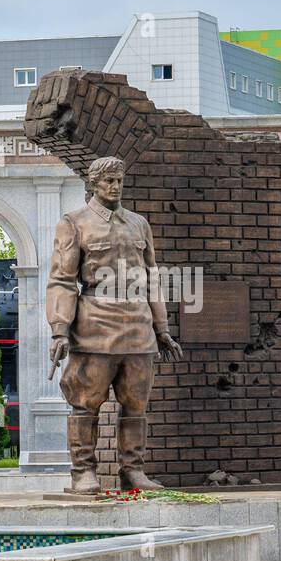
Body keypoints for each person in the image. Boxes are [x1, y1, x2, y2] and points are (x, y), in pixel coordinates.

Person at [46, 156, 184, 494]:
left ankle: (133, 470)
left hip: (138, 326)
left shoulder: (139, 224)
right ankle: (83, 472)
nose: (115, 186)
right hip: (95, 325)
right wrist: (60, 328)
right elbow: (62, 280)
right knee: (86, 402)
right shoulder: (74, 223)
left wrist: (162, 328)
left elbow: (152, 279)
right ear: (94, 183)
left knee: (135, 403)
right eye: (108, 180)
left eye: (119, 180)